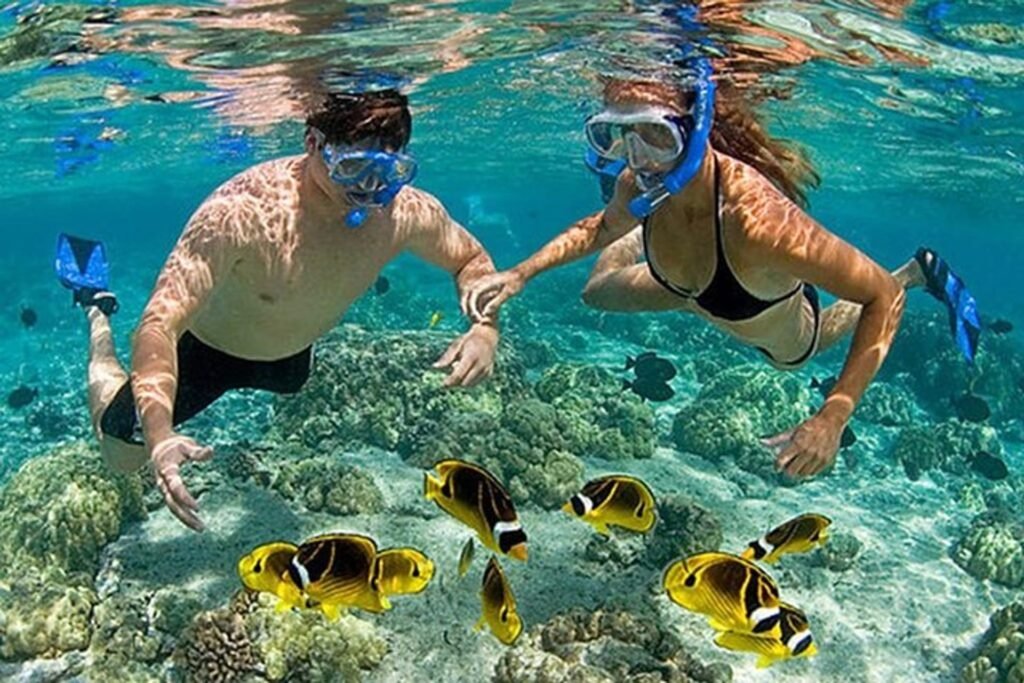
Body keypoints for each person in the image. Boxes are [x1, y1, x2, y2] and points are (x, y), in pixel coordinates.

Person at [465, 62, 980, 479]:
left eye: (655, 135)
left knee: (801, 354)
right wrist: (522, 273)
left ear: (696, 128)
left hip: (753, 303)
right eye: (617, 136)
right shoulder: (635, 184)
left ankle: (918, 270)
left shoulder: (759, 224)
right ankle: (651, 241)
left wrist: (834, 413)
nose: (638, 158)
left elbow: (880, 297)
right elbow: (600, 228)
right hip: (685, 284)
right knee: (597, 291)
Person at [57, 89, 500, 531]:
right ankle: (96, 310)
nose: (369, 189)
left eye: (388, 172)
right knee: (121, 457)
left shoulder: (406, 212)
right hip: (206, 353)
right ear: (312, 143)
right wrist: (158, 438)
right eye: (351, 168)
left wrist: (484, 328)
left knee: (288, 374)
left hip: (291, 356)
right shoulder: (240, 213)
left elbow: (471, 260)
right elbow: (159, 324)